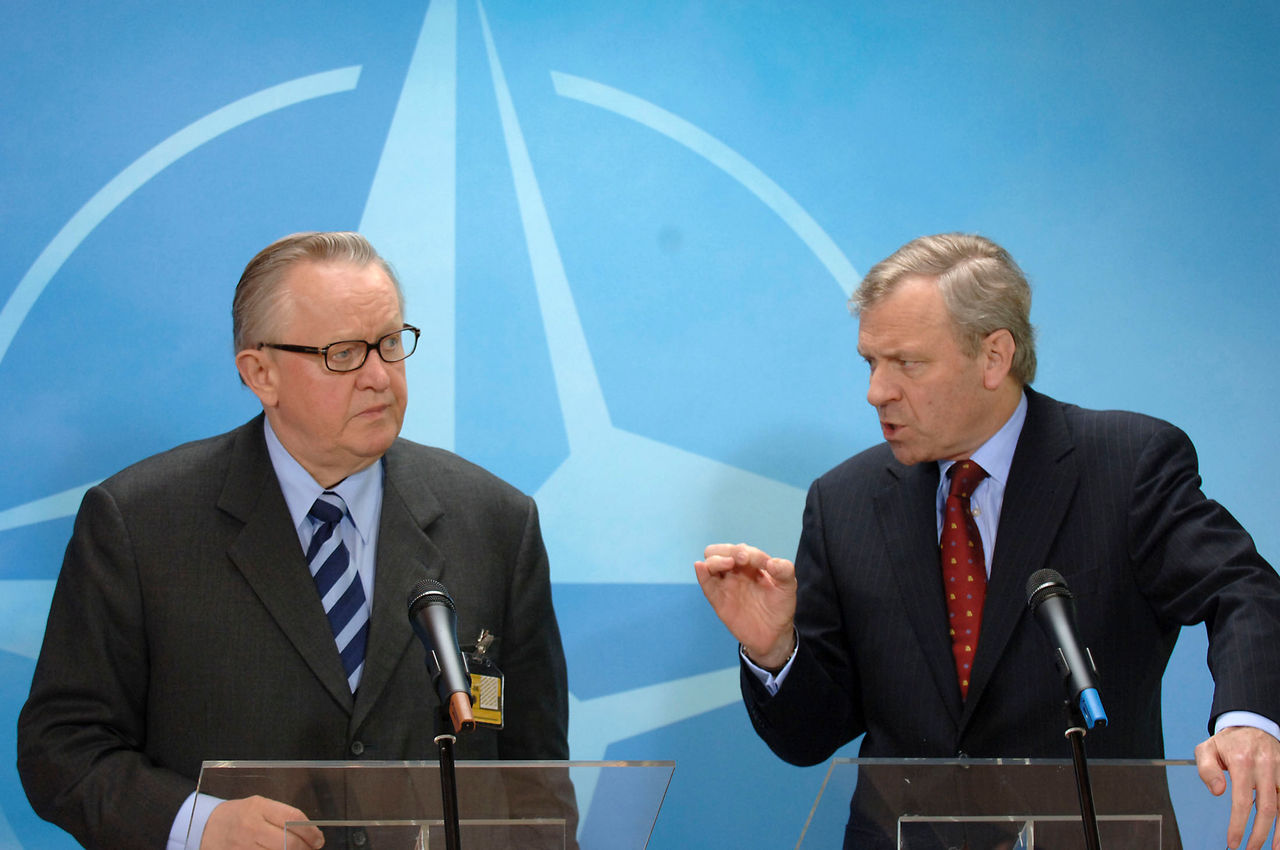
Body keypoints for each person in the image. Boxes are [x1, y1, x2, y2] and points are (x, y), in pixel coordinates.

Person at [696, 233, 1280, 850]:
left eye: (907, 363)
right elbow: (808, 737)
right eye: (871, 363)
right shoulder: (844, 502)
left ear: (994, 356)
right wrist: (775, 652)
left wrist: (1249, 721)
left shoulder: (1124, 465)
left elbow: (1244, 590)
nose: (877, 392)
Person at [17, 232, 571, 849]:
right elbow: (61, 748)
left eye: (390, 344)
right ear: (261, 373)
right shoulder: (139, 523)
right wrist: (198, 825)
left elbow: (537, 778)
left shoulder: (496, 521)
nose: (379, 378)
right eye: (343, 353)